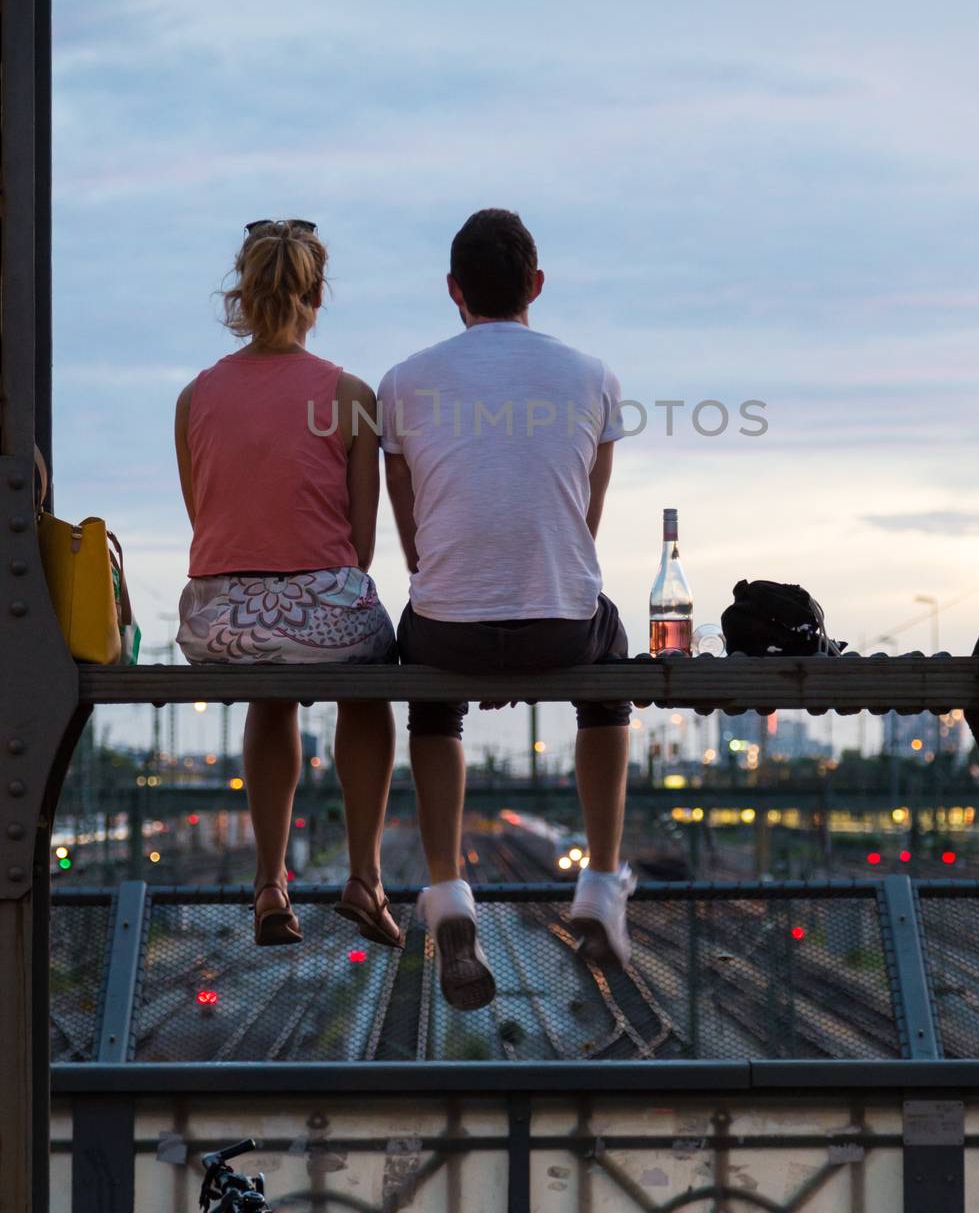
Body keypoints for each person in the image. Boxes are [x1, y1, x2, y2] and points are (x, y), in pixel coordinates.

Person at [379, 208, 634, 1011]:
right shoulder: (594, 377)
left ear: (453, 290)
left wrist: (476, 619)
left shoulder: (402, 381)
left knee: (431, 701)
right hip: (561, 620)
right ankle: (598, 880)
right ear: (536, 286)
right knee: (612, 656)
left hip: (447, 623)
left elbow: (412, 536)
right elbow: (581, 529)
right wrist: (527, 620)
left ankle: (448, 892)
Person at [175, 219, 400, 950]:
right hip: (320, 612)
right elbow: (359, 548)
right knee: (370, 683)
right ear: (315, 296)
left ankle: (270, 880)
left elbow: (205, 520)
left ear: (241, 292)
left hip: (217, 621)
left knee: (268, 690)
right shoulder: (350, 394)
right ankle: (365, 876)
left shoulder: (193, 397)